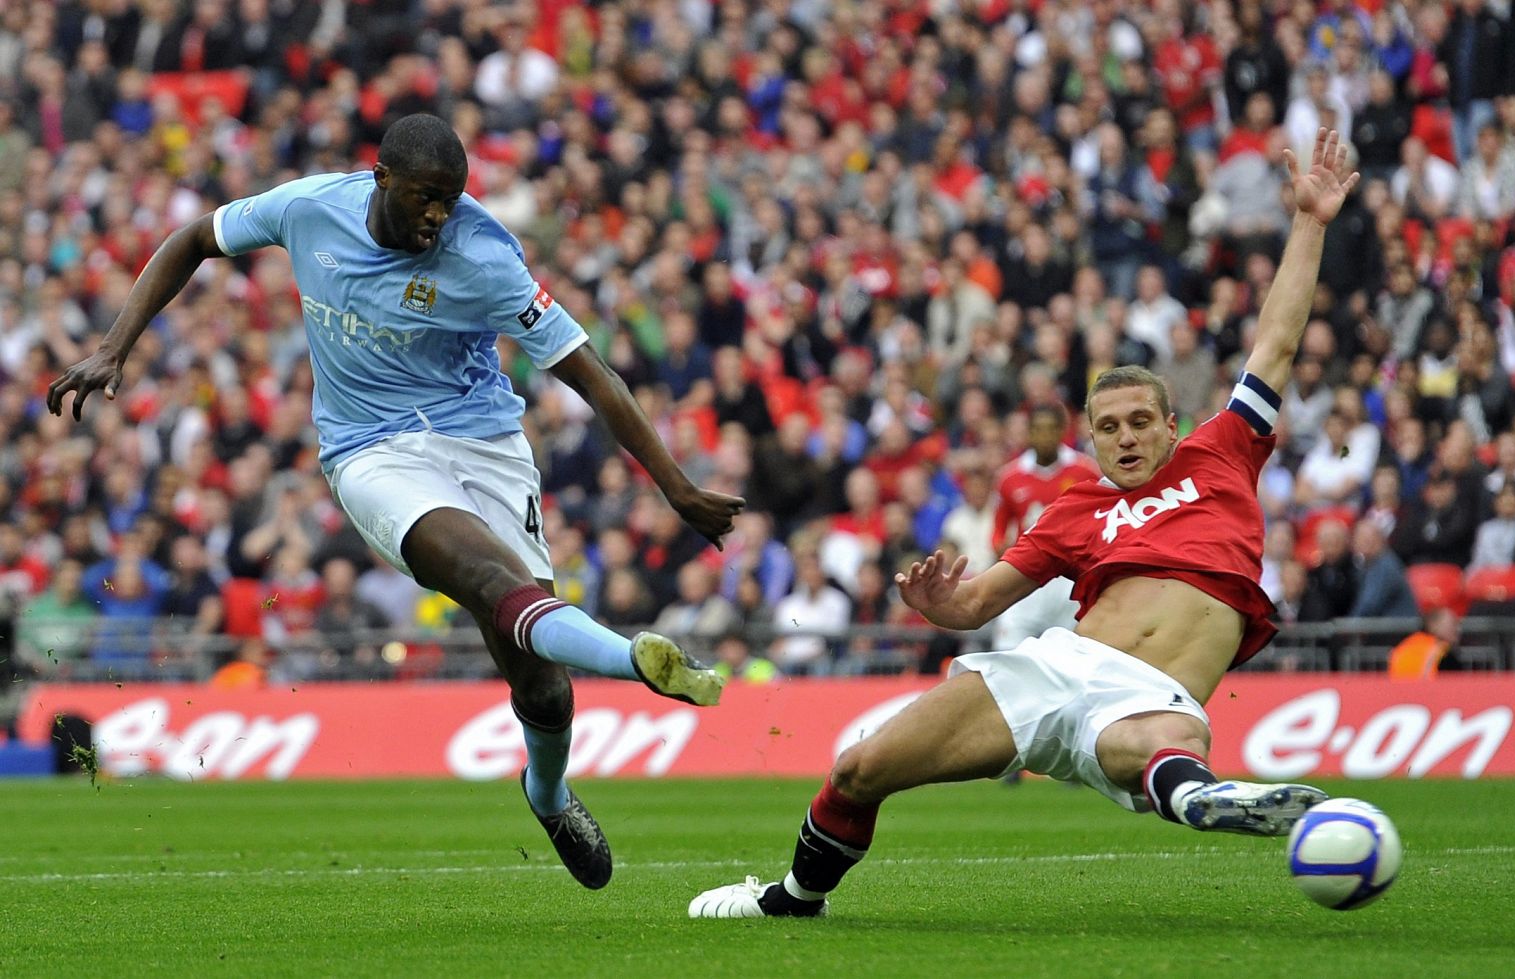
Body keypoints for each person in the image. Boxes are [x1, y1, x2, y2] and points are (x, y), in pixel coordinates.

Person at [46, 114, 744, 891]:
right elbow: (191, 239)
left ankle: (546, 793)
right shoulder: (309, 207)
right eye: (424, 198)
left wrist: (676, 485)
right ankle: (637, 659)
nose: (438, 216)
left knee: (538, 676)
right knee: (487, 584)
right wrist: (115, 345)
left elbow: (592, 376)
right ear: (381, 180)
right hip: (368, 450)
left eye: (450, 200)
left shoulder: (485, 257)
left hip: (482, 443)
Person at [689, 130, 1358, 919]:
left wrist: (1310, 222)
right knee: (860, 769)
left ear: (1173, 423)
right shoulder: (1074, 507)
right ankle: (792, 899)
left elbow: (1276, 341)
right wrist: (942, 606)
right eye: (1108, 427)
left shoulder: (1224, 450)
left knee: (1163, 756)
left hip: (1150, 694)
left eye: (1142, 420)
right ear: (1091, 435)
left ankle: (1209, 797)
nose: (1128, 437)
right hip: (1055, 669)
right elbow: (977, 605)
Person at [989, 403, 1100, 649]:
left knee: (1073, 656)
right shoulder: (1010, 477)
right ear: (1028, 432)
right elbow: (998, 528)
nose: (1045, 436)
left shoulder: (1085, 471)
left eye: (1051, 429)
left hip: (1069, 580)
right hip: (1025, 574)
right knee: (1008, 652)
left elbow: (1101, 520)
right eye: (1038, 429)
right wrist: (1000, 550)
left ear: (1063, 431)